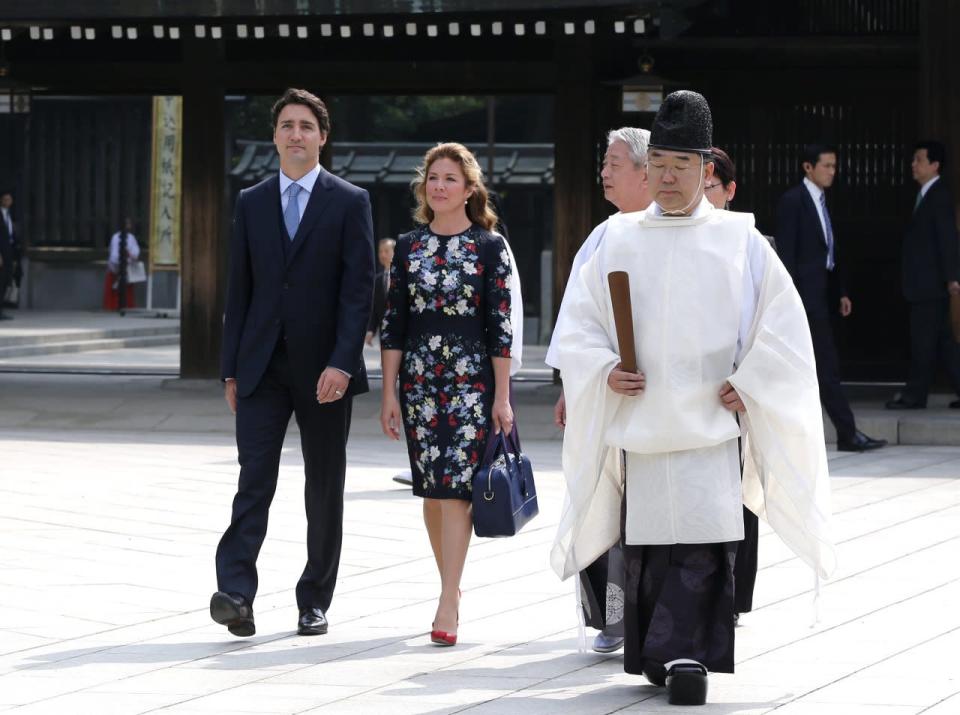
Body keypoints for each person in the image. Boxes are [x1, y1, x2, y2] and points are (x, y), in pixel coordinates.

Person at [551, 91, 835, 706]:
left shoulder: (741, 240)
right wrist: (603, 369)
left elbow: (783, 326)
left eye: (684, 165)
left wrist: (752, 379)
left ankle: (688, 658)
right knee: (650, 542)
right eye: (660, 164)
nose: (670, 177)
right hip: (646, 420)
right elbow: (578, 325)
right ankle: (660, 654)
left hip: (712, 417)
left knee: (705, 537)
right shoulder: (616, 238)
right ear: (647, 168)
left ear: (707, 170)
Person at [212, 88, 375, 638]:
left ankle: (314, 598)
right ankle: (236, 592)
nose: (296, 134)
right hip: (261, 366)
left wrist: (343, 363)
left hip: (325, 370)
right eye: (287, 125)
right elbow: (242, 288)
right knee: (253, 480)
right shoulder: (251, 200)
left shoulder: (350, 200)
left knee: (323, 485)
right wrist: (231, 367)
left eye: (307, 125)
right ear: (275, 135)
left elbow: (358, 293)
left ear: (322, 137)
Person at [380, 142, 514, 647]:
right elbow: (394, 324)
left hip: (470, 384)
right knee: (432, 494)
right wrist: (388, 393)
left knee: (456, 492)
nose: (439, 186)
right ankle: (450, 589)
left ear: (469, 188)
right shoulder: (409, 247)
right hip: (419, 383)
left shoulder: (489, 247)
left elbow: (500, 326)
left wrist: (503, 396)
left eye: (450, 178)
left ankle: (447, 598)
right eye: (432, 178)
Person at [546, 126, 652, 655]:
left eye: (614, 162)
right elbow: (577, 324)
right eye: (604, 161)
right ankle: (611, 617)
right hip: (608, 390)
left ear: (644, 170)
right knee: (603, 500)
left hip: (661, 397)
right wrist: (580, 378)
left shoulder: (674, 232)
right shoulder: (605, 234)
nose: (604, 171)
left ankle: (654, 615)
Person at [775, 145, 886, 452]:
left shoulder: (823, 200)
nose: (832, 172)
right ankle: (847, 433)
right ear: (808, 167)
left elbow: (830, 252)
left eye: (834, 166)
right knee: (825, 367)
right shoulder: (794, 201)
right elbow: (788, 254)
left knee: (823, 367)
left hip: (823, 295)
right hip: (803, 300)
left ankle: (846, 432)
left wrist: (842, 292)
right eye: (826, 166)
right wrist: (791, 300)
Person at [705, 147, 758, 624]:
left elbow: (774, 329)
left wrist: (751, 382)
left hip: (735, 390)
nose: (701, 196)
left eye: (709, 187)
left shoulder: (752, 244)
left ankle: (735, 594)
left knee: (739, 490)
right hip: (687, 393)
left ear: (729, 191)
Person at [885, 140, 960, 410]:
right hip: (926, 283)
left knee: (923, 343)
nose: (913, 165)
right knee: (944, 343)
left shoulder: (938, 194)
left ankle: (915, 396)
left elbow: (948, 238)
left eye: (919, 160)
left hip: (929, 284)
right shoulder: (926, 194)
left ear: (934, 165)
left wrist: (952, 276)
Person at [102, 218, 140, 311]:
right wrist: (120, 263)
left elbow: (135, 251)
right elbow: (114, 254)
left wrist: (131, 256)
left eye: (129, 224)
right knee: (114, 288)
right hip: (116, 267)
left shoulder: (131, 237)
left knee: (127, 290)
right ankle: (112, 306)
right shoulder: (116, 237)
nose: (128, 226)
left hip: (128, 266)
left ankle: (127, 306)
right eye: (127, 224)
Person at [366, 238, 396, 346]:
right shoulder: (378, 280)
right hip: (384, 333)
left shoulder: (405, 277)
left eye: (386, 251)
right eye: (380, 251)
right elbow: (375, 307)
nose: (383, 254)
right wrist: (370, 330)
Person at [0, 191, 21, 314]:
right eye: (5, 199)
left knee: (7, 280)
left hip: (10, 250)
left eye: (9, 199)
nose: (8, 201)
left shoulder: (10, 215)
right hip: (1, 251)